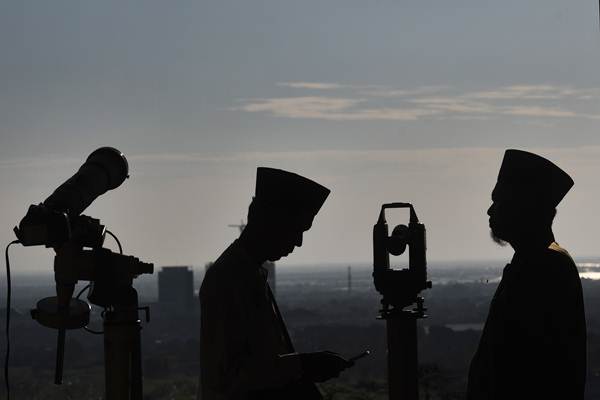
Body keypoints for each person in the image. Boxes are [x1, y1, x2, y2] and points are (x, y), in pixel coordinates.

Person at [198, 167, 352, 400]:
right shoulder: (228, 279)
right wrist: (304, 364)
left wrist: (302, 367)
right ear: (268, 221)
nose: (298, 242)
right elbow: (228, 378)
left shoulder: (247, 274)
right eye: (295, 229)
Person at [467, 149, 586, 399]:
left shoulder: (546, 268)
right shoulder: (536, 262)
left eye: (499, 202)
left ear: (523, 209)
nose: (490, 211)